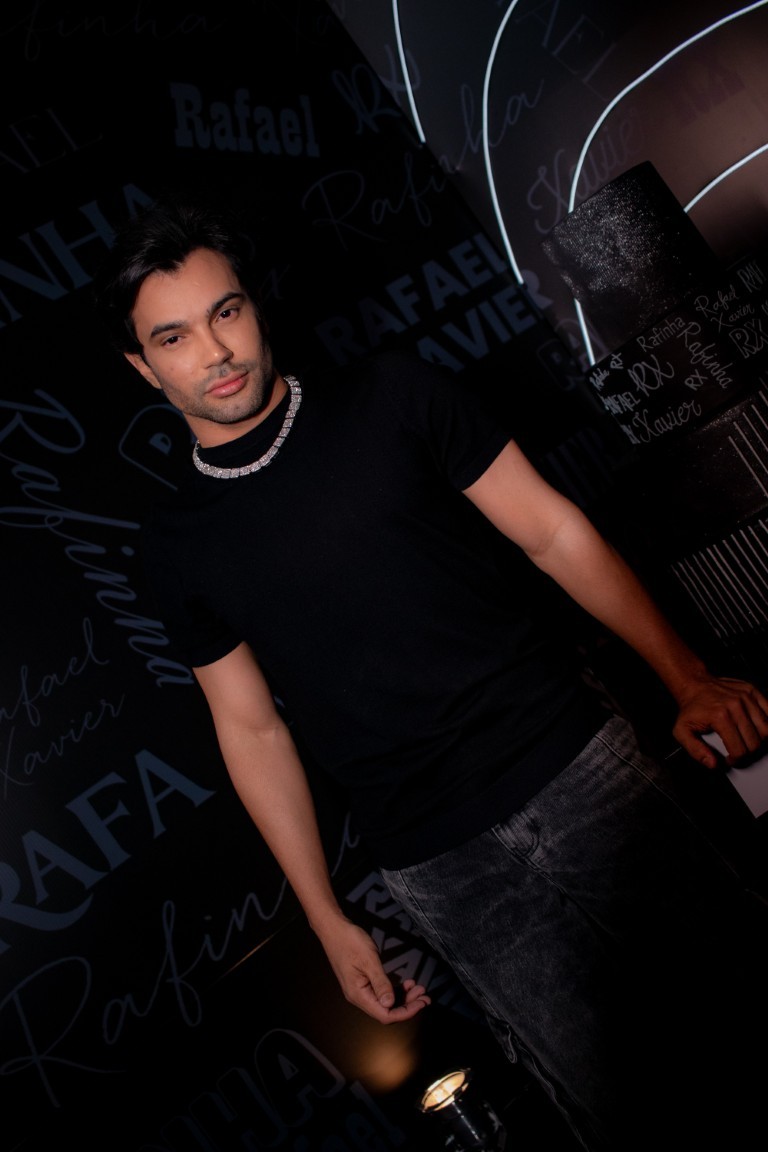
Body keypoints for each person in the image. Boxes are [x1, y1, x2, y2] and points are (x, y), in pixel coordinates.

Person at [93, 193, 768, 1152]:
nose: (216, 350)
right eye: (175, 336)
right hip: (441, 867)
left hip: (578, 771)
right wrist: (326, 918)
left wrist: (685, 675)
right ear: (142, 365)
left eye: (226, 311)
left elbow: (552, 531)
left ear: (254, 306)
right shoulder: (176, 546)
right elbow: (251, 728)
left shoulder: (393, 395)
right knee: (621, 1108)